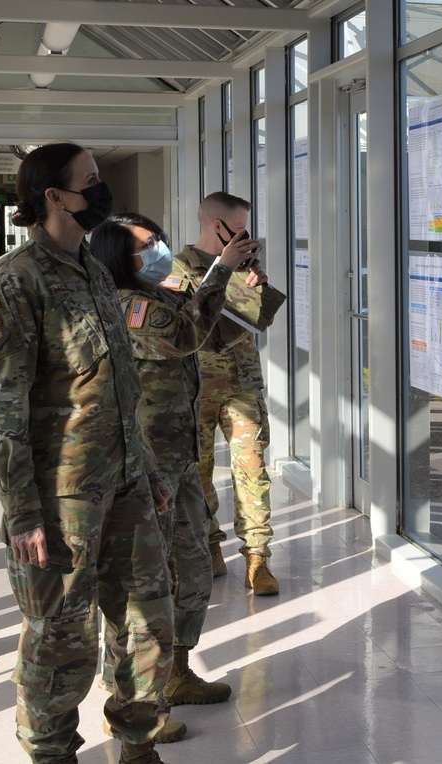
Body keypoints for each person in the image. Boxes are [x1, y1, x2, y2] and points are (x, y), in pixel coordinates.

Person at [0, 143, 174, 764]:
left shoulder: (92, 269)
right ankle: (51, 751)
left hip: (124, 483)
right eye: (89, 182)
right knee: (61, 639)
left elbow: (119, 388)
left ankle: (138, 742)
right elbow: (0, 409)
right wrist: (24, 513)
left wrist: (147, 467)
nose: (101, 190)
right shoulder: (14, 280)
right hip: (61, 499)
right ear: (54, 196)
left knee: (149, 624)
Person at [90, 214, 256, 729]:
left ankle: (177, 672)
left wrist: (247, 290)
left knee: (193, 568)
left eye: (159, 238)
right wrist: (219, 273)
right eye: (148, 243)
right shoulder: (127, 305)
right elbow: (185, 336)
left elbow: (222, 331)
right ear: (120, 253)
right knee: (144, 587)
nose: (159, 248)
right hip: (144, 465)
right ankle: (132, 700)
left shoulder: (156, 295)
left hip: (178, 456)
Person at [170, 191, 279, 595]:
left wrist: (258, 290)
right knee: (196, 473)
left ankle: (257, 557)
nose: (248, 239)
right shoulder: (176, 268)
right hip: (195, 386)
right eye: (241, 229)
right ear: (218, 227)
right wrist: (222, 274)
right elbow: (185, 326)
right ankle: (210, 545)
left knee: (252, 471)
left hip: (242, 384)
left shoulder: (244, 268)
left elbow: (253, 323)